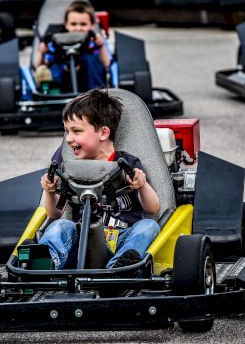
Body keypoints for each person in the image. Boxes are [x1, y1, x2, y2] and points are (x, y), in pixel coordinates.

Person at [38, 89, 160, 270]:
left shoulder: (127, 164)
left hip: (121, 237)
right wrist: (49, 191)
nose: (69, 139)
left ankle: (119, 268)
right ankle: (46, 262)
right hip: (82, 240)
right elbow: (55, 213)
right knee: (61, 226)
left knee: (148, 226)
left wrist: (141, 185)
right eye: (66, 131)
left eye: (76, 131)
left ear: (103, 133)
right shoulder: (71, 168)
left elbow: (153, 207)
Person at [34, 0, 112, 91]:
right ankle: (52, 94)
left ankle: (96, 97)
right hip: (63, 82)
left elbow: (107, 64)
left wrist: (101, 46)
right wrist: (42, 52)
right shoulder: (56, 40)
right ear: (66, 24)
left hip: (90, 83)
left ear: (92, 25)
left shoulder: (95, 41)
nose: (78, 28)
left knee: (91, 59)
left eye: (83, 24)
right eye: (73, 24)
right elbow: (39, 65)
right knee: (53, 66)